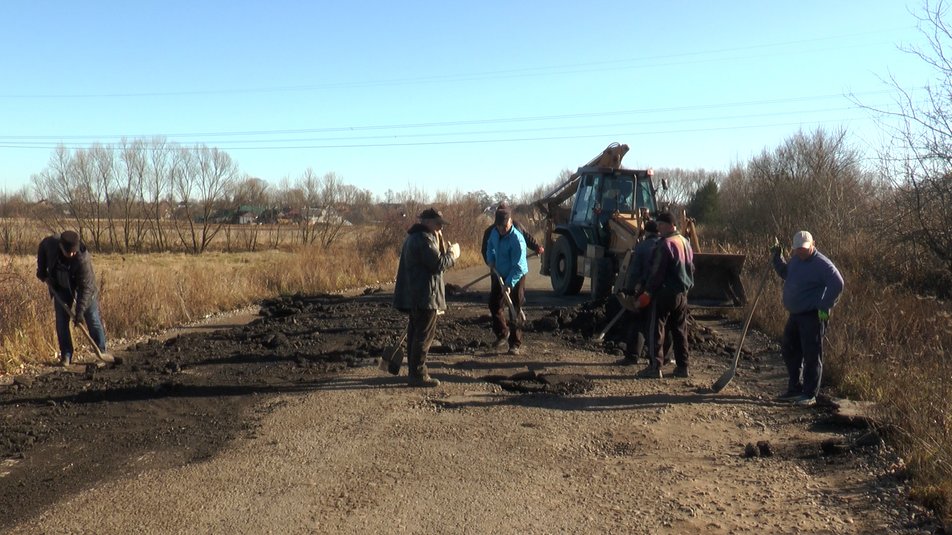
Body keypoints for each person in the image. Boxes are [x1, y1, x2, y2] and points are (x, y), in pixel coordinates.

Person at [771, 230, 844, 406]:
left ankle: (810, 394)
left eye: (804, 248)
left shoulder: (822, 264)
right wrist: (776, 257)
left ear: (813, 244)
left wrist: (825, 305)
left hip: (813, 315)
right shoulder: (796, 260)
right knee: (789, 350)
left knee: (812, 354)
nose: (801, 251)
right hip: (795, 314)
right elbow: (786, 273)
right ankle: (795, 388)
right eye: (797, 249)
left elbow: (838, 283)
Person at [392, 208, 460, 387]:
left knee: (415, 334)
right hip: (425, 296)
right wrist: (453, 255)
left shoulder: (414, 237)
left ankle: (414, 371)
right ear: (427, 222)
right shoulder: (423, 239)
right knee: (423, 336)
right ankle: (418, 374)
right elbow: (438, 264)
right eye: (438, 224)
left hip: (417, 295)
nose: (440, 228)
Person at [36, 230, 108, 366]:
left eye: (74, 252)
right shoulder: (51, 244)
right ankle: (66, 355)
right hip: (61, 285)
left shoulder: (82, 259)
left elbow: (86, 289)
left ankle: (101, 351)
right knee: (61, 322)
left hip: (85, 288)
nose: (72, 254)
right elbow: (42, 246)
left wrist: (79, 312)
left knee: (92, 318)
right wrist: (41, 270)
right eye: (69, 252)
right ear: (61, 247)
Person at [637, 212, 694, 379]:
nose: (658, 228)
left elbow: (657, 273)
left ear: (670, 225)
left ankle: (655, 367)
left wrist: (647, 291)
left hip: (665, 292)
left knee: (656, 328)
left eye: (661, 224)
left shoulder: (665, 244)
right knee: (679, 330)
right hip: (682, 294)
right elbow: (692, 269)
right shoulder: (684, 242)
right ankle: (683, 367)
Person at [481, 202, 542, 352]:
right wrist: (491, 259)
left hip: (516, 275)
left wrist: (509, 284)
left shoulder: (517, 239)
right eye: (499, 227)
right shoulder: (494, 232)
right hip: (499, 272)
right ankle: (503, 333)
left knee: (514, 307)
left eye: (504, 226)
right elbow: (489, 247)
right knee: (494, 304)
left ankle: (515, 343)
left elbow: (519, 266)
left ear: (510, 221)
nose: (501, 230)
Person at [618, 220, 662, 364]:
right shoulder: (665, 245)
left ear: (647, 232)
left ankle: (632, 356)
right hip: (661, 291)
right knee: (659, 326)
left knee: (636, 322)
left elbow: (634, 271)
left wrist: (629, 290)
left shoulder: (642, 247)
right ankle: (661, 358)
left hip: (643, 291)